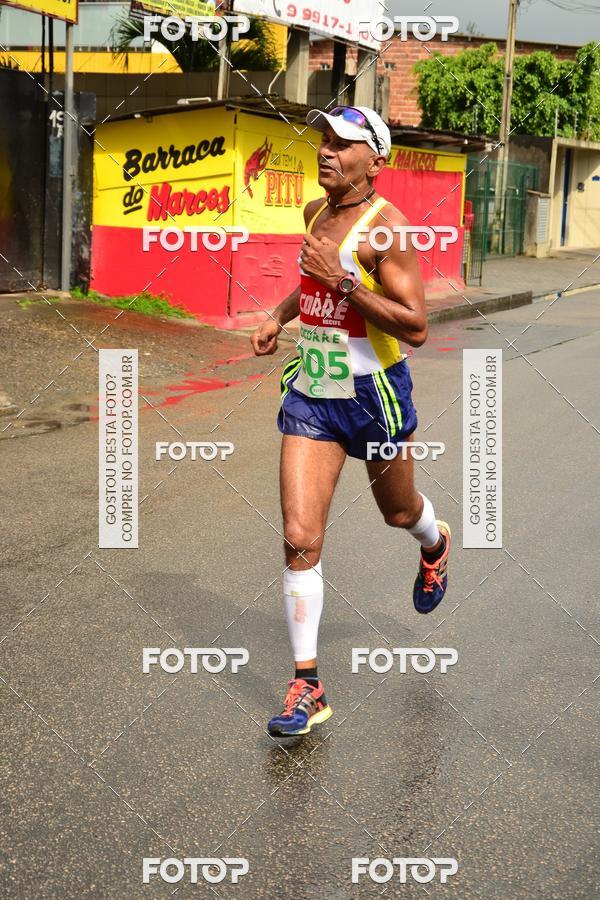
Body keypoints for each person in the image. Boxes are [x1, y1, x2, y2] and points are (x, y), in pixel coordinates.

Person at [250, 106, 450, 738]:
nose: (326, 151)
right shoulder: (316, 212)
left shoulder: (385, 231)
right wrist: (279, 316)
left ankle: (434, 542)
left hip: (376, 396)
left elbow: (416, 326)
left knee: (397, 512)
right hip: (315, 390)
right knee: (299, 533)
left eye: (343, 144)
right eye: (324, 140)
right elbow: (314, 279)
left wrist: (343, 284)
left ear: (375, 160)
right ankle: (308, 683)